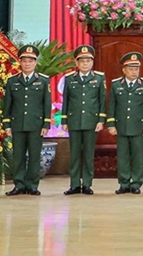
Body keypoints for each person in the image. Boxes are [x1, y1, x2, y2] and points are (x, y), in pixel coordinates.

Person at [2, 45, 51, 196]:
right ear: (20, 62)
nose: (27, 64)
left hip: (36, 124)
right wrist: (7, 124)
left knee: (35, 156)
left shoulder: (43, 81)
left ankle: (32, 185)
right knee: (18, 156)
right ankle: (19, 184)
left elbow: (46, 104)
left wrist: (46, 124)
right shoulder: (12, 81)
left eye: (30, 61)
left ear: (35, 62)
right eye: (24, 61)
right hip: (18, 124)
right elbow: (7, 105)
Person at [62, 45, 106, 195]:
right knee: (74, 154)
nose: (85, 64)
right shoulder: (70, 78)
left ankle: (87, 183)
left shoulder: (99, 78)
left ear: (92, 62)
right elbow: (66, 101)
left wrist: (101, 120)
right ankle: (74, 184)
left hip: (91, 121)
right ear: (77, 62)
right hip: (74, 121)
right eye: (82, 61)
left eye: (88, 61)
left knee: (88, 154)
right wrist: (64, 121)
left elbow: (101, 101)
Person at [108, 52, 143, 194]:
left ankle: (136, 183)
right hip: (121, 127)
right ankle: (124, 183)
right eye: (131, 69)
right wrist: (111, 124)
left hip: (139, 127)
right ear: (124, 70)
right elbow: (112, 106)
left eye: (136, 69)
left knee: (138, 157)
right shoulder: (116, 85)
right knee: (122, 156)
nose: (134, 72)